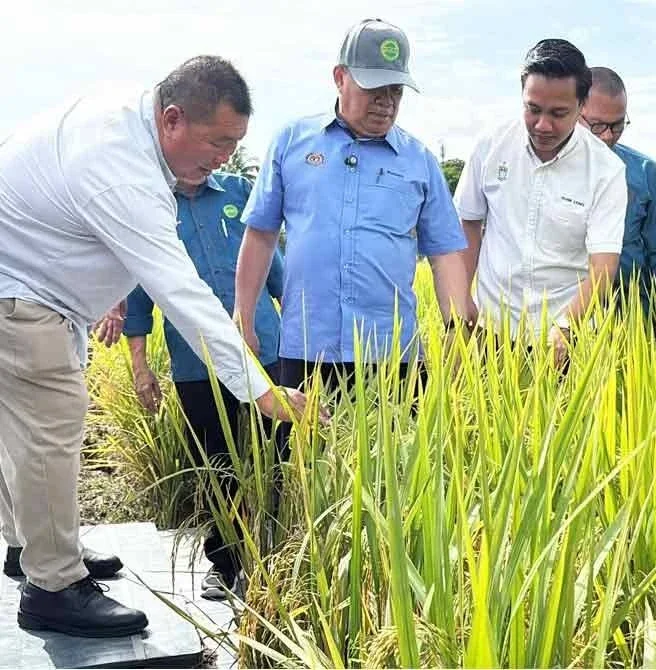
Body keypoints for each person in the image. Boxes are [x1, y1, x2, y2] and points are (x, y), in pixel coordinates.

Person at [0, 55, 315, 638]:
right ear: (172, 119)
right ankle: (53, 587)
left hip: (28, 281)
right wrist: (262, 392)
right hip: (21, 295)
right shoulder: (123, 170)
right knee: (51, 428)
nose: (225, 159)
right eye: (218, 143)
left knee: (25, 430)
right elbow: (184, 296)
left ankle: (30, 548)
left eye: (234, 144)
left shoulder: (129, 121)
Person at [235, 18, 475, 409]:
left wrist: (454, 327)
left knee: (394, 464)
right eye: (374, 89)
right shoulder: (292, 142)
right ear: (340, 77)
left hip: (392, 351)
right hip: (308, 345)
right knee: (308, 460)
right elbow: (261, 234)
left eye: (396, 91)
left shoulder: (419, 161)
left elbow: (445, 252)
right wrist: (244, 315)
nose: (386, 102)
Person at [123, 170, 284, 600]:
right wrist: (141, 368)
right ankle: (226, 564)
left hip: (264, 352)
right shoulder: (152, 203)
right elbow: (138, 298)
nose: (215, 155)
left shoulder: (238, 192)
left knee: (278, 462)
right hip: (197, 366)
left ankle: (282, 560)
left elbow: (274, 269)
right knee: (217, 469)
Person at [454, 39, 627, 367]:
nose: (543, 125)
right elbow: (468, 223)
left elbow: (603, 265)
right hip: (491, 330)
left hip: (566, 334)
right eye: (533, 109)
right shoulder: (490, 147)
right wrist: (460, 304)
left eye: (558, 113)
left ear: (581, 107)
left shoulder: (606, 170)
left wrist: (567, 326)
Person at [579, 66, 656, 315]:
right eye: (597, 126)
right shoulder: (551, 171)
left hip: (632, 309)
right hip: (570, 309)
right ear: (575, 112)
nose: (607, 136)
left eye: (617, 126)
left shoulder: (645, 172)